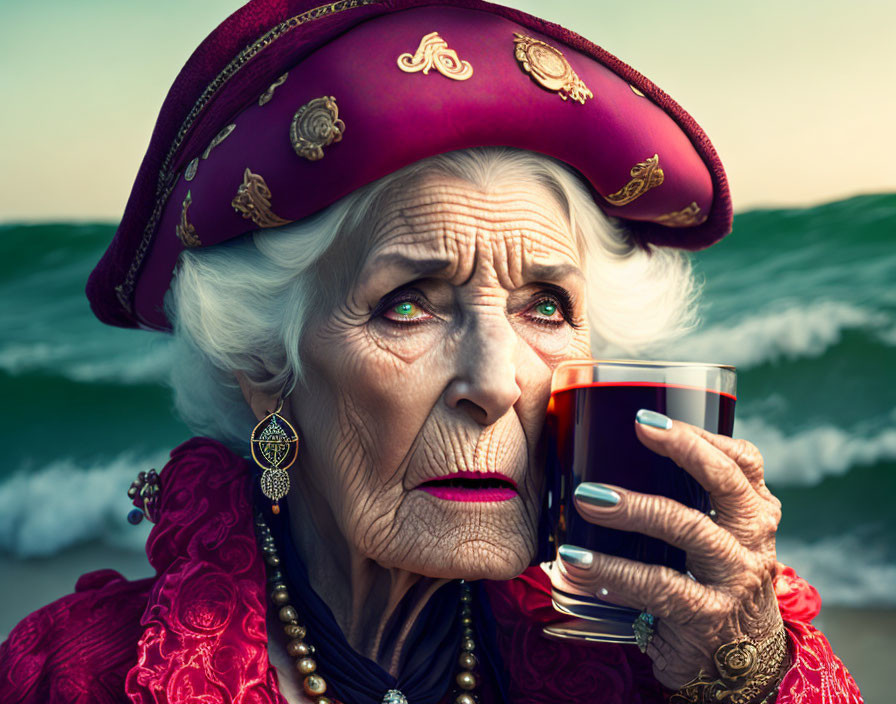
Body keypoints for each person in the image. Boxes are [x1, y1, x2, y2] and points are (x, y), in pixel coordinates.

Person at [0, 1, 863, 702]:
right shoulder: (78, 677)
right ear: (266, 368)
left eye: (547, 306)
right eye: (406, 304)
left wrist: (738, 678)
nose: (494, 382)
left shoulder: (640, 665)